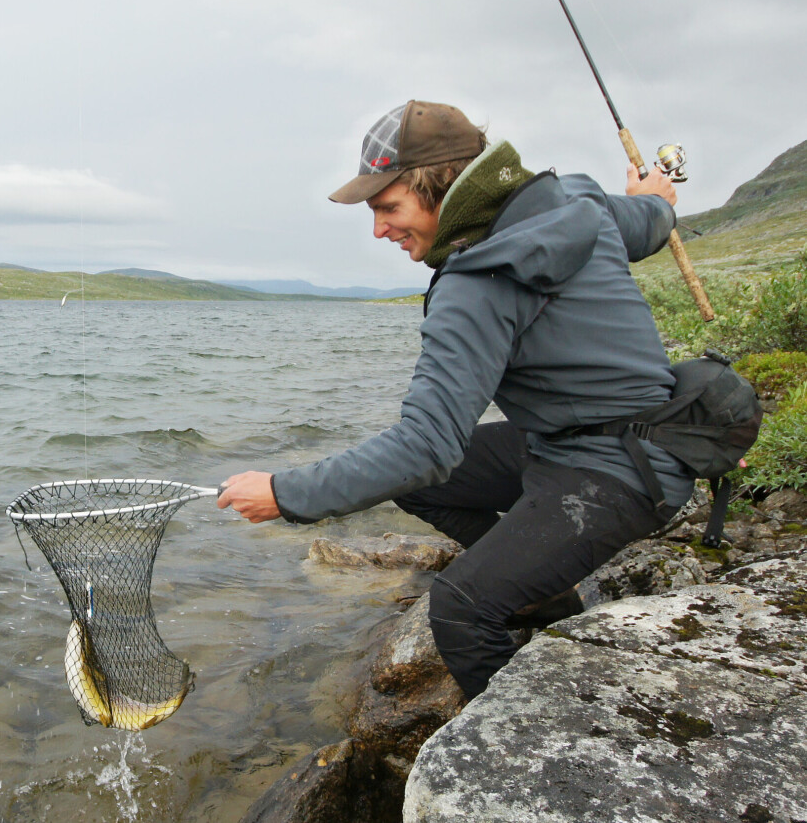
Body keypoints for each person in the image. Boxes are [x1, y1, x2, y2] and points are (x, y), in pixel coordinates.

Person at [218, 100, 693, 699]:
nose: (378, 229)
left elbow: (425, 447)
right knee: (415, 489)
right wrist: (656, 196)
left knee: (461, 608)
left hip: (619, 472)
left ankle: (536, 747)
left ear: (441, 187)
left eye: (389, 208)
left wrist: (286, 493)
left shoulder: (477, 281)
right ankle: (543, 593)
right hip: (589, 439)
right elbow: (646, 223)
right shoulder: (575, 200)